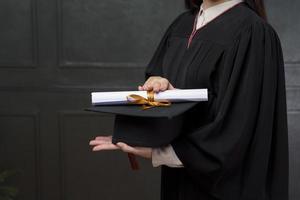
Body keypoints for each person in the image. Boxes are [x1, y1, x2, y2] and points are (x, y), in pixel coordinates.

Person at [89, 0, 289, 199]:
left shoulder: (252, 32)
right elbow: (159, 95)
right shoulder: (182, 25)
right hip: (178, 182)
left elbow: (239, 125)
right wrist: (158, 89)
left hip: (225, 189)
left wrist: (158, 152)